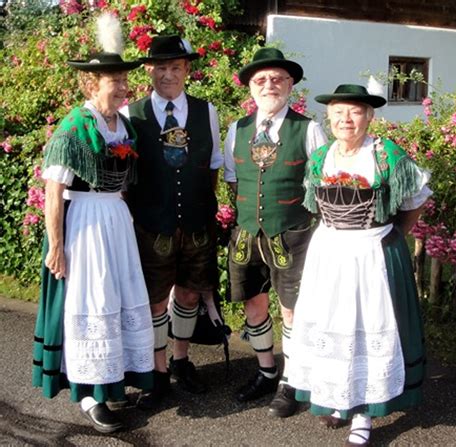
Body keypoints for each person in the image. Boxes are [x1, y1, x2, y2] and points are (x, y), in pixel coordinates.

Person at [288, 84, 431, 446]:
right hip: (329, 253)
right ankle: (338, 399)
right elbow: (314, 205)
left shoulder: (387, 155)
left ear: (369, 117)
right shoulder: (321, 157)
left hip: (372, 254)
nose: (345, 119)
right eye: (338, 112)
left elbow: (417, 196)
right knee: (331, 323)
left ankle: (364, 412)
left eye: (354, 112)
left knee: (366, 326)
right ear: (329, 117)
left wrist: (395, 231)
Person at [32, 13, 154, 434]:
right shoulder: (74, 126)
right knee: (91, 300)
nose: (121, 87)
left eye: (123, 80)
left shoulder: (123, 125)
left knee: (117, 297)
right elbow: (53, 189)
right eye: (112, 81)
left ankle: (113, 378)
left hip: (115, 219)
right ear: (92, 84)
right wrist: (56, 245)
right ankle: (89, 393)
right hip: (84, 220)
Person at [224, 47, 327, 418]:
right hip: (249, 233)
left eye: (277, 79)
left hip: (293, 232)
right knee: (254, 302)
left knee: (292, 311)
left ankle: (292, 381)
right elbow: (234, 181)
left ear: (290, 85)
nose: (270, 85)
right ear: (251, 87)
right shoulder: (237, 129)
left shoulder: (309, 129)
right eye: (261, 80)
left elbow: (319, 185)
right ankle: (267, 371)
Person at [123, 35, 223, 408]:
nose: (168, 75)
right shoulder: (132, 115)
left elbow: (212, 166)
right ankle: (158, 372)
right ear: (150, 70)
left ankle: (181, 360)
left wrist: (198, 205)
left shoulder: (205, 110)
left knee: (189, 294)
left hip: (196, 224)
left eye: (176, 67)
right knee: (152, 303)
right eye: (161, 67)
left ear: (187, 71)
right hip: (151, 225)